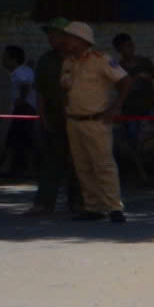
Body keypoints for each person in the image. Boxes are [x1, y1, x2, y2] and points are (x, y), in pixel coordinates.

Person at [55, 21, 129, 223]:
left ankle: (114, 207)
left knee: (103, 165)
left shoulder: (101, 59)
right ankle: (93, 207)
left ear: (80, 40)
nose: (65, 41)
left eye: (69, 37)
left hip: (96, 120)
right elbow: (64, 88)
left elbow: (124, 81)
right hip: (74, 120)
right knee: (82, 166)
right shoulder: (68, 61)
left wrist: (115, 107)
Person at [25, 25, 80, 216]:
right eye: (49, 35)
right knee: (50, 162)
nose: (50, 39)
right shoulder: (46, 61)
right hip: (54, 118)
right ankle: (44, 203)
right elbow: (40, 91)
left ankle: (78, 203)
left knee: (78, 162)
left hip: (78, 118)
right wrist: (42, 116)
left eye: (54, 35)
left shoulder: (80, 58)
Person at [109, 32, 154, 182]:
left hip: (150, 108)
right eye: (126, 47)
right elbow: (121, 90)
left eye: (131, 45)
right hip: (131, 112)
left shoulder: (145, 62)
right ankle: (143, 175)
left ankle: (151, 142)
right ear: (119, 50)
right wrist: (137, 78)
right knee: (134, 144)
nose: (130, 49)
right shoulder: (117, 67)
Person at [0, 45, 36, 177]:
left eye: (5, 57)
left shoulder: (19, 72)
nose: (2, 59)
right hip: (25, 109)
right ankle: (13, 167)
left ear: (13, 59)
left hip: (24, 109)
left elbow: (25, 84)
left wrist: (21, 100)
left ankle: (8, 168)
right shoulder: (24, 70)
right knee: (21, 139)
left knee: (16, 138)